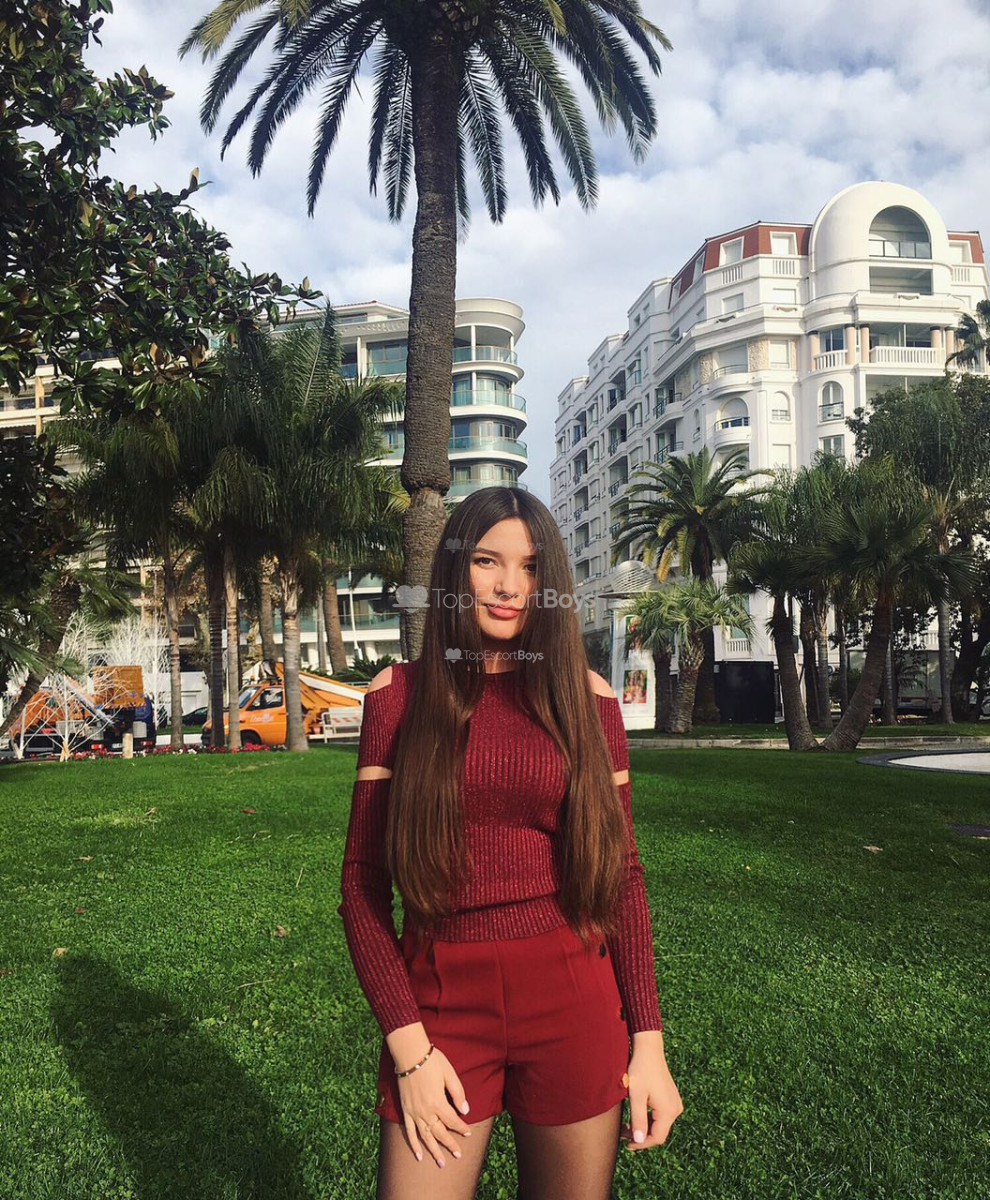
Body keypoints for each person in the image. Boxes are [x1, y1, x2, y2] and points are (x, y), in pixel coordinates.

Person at [339, 486, 683, 1200]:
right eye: (487, 561)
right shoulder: (397, 696)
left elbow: (622, 873)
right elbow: (362, 885)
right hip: (441, 1002)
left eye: (529, 567)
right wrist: (409, 1050)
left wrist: (647, 1042)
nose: (508, 586)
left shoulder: (588, 699)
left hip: (572, 999)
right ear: (454, 571)